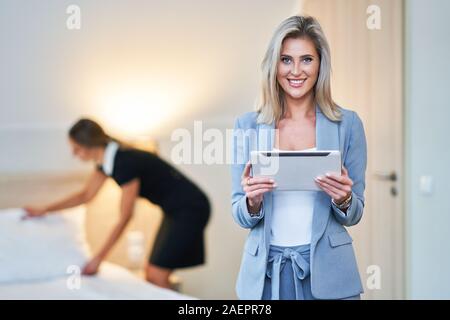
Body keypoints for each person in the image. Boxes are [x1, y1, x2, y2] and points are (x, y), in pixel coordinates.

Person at [231, 15, 367, 300]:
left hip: (329, 275)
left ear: (320, 65)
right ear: (274, 64)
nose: (296, 71)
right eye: (286, 59)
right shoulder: (248, 126)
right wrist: (252, 202)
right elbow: (240, 212)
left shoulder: (348, 124)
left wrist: (343, 198)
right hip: (266, 278)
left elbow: (355, 212)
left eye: (306, 59)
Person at [24, 118, 210, 288]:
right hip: (176, 210)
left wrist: (98, 259)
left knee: (156, 274)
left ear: (88, 145)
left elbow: (125, 216)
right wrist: (45, 210)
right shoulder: (106, 162)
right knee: (152, 273)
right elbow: (85, 195)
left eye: (76, 148)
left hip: (191, 208)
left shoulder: (124, 162)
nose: (74, 154)